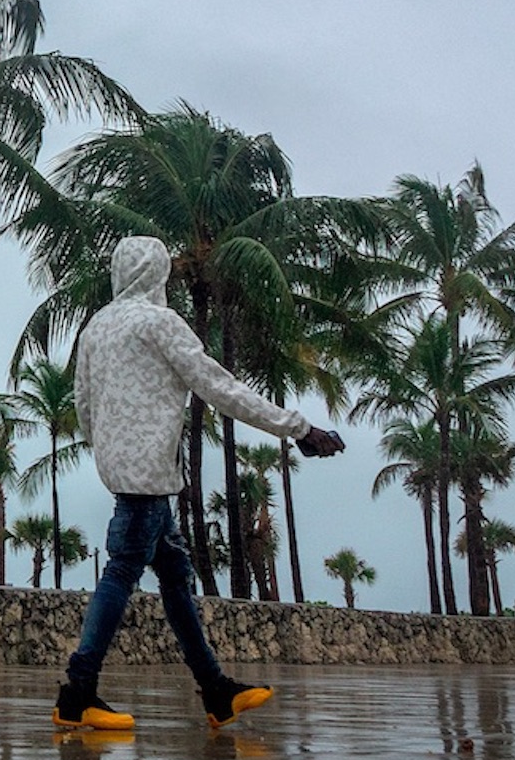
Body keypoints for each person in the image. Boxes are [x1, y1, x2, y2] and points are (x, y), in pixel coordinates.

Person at [52, 235, 345, 732]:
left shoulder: (96, 328)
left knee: (175, 576)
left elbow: (83, 402)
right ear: (159, 274)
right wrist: (298, 428)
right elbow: (218, 385)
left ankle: (215, 690)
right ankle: (78, 693)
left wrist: (109, 453)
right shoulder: (159, 323)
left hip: (132, 470)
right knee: (122, 570)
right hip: (147, 474)